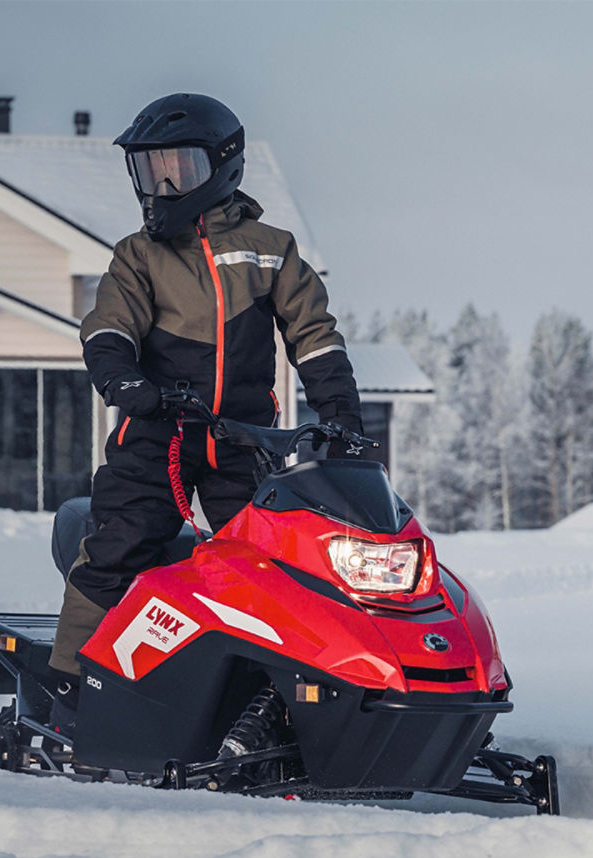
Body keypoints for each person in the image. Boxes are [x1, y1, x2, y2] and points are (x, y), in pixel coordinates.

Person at [47, 93, 362, 731]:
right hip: (156, 429)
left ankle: (262, 695)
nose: (161, 185)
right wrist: (121, 379)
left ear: (222, 167)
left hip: (244, 441)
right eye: (148, 170)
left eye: (177, 170)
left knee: (270, 564)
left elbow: (315, 334)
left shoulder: (272, 249)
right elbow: (108, 326)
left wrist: (343, 415)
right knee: (122, 542)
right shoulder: (138, 255)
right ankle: (70, 690)